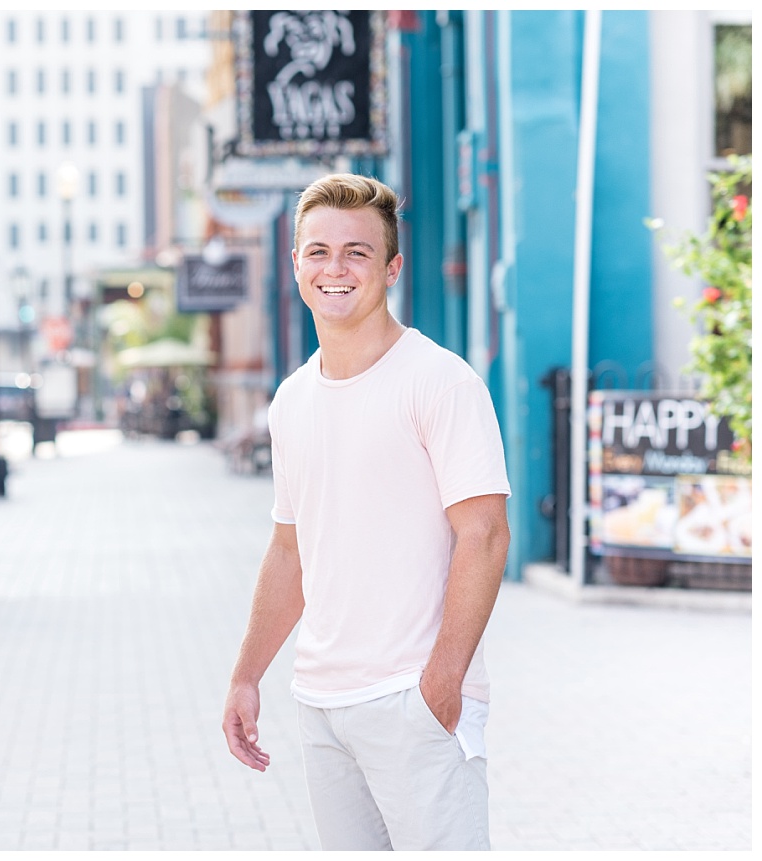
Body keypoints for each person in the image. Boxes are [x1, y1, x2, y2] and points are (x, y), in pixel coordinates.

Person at [221, 173, 511, 851]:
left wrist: (441, 682)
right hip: (322, 705)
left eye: (357, 251)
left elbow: (486, 534)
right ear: (295, 263)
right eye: (318, 250)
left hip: (413, 697)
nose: (335, 267)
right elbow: (290, 550)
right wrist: (246, 675)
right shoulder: (291, 399)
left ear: (392, 267)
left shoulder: (439, 381)